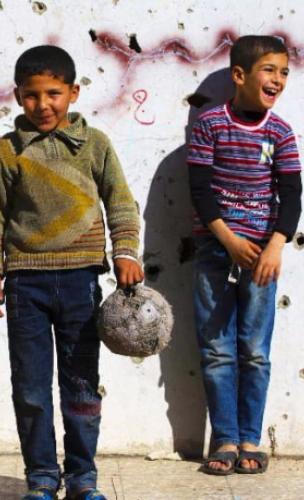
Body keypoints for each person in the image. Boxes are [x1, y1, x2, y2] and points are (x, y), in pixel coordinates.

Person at [0, 45, 144, 500]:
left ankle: (83, 477)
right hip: (25, 283)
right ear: (17, 96)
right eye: (31, 95)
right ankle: (42, 477)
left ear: (73, 92)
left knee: (81, 384)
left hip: (80, 281)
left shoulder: (95, 145)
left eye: (53, 93)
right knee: (30, 388)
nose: (43, 105)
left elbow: (121, 204)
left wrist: (126, 252)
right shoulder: (8, 151)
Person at [188, 35, 302, 475]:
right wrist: (228, 239)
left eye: (284, 72)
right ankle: (225, 439)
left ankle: (251, 437)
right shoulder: (210, 124)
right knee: (218, 351)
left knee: (255, 350)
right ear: (240, 76)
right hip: (216, 253)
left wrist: (275, 245)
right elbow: (199, 190)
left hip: (262, 260)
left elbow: (291, 195)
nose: (278, 79)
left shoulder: (280, 132)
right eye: (269, 70)